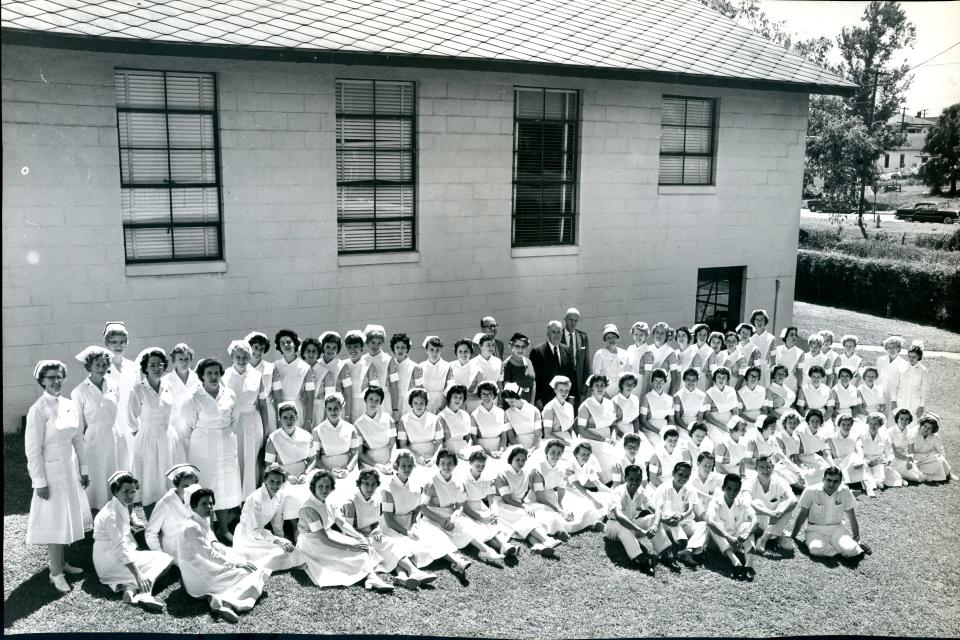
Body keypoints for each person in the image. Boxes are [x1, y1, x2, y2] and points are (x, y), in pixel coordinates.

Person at [25, 360, 91, 593]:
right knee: (55, 522)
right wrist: (39, 481)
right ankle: (55, 573)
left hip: (69, 470)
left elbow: (77, 439)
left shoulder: (70, 404)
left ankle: (61, 562)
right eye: (51, 377)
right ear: (42, 381)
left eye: (59, 376)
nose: (56, 381)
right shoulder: (38, 409)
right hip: (50, 474)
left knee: (66, 518)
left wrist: (83, 470)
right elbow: (32, 450)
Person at [178, 487, 270, 624]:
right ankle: (228, 603)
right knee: (255, 573)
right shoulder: (192, 526)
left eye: (210, 503)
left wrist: (232, 555)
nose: (209, 507)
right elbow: (209, 554)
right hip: (198, 573)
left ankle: (218, 600)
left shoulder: (201, 519)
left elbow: (213, 542)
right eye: (204, 504)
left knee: (251, 566)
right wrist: (235, 563)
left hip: (205, 565)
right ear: (193, 506)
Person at [296, 469, 393, 591]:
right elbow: (323, 539)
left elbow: (342, 523)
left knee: (362, 547)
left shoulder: (329, 502)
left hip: (327, 535)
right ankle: (371, 578)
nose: (324, 490)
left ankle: (370, 578)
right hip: (313, 543)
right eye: (320, 486)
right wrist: (350, 546)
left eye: (327, 486)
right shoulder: (309, 509)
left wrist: (359, 536)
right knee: (355, 553)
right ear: (313, 487)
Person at [341, 469, 438, 588]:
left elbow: (375, 522)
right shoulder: (351, 503)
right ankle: (409, 573)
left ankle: (409, 574)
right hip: (356, 539)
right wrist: (364, 536)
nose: (369, 488)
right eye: (366, 484)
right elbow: (347, 531)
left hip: (371, 536)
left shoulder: (377, 499)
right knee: (382, 548)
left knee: (392, 544)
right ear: (359, 483)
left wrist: (376, 530)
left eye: (373, 484)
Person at [92, 471, 173, 612]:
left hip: (114, 555)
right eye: (126, 491)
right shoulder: (111, 515)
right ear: (115, 491)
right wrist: (138, 575)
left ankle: (130, 590)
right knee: (166, 559)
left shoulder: (119, 505)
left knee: (159, 561)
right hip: (109, 560)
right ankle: (145, 593)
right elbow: (120, 547)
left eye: (133, 492)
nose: (130, 495)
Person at [381, 451, 472, 574]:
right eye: (403, 466)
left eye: (409, 466)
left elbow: (417, 509)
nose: (407, 469)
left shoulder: (416, 485)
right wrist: (407, 532)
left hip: (410, 523)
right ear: (396, 466)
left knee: (432, 535)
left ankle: (457, 561)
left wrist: (413, 524)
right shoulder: (387, 488)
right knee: (406, 545)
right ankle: (408, 572)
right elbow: (389, 521)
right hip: (391, 527)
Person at [183, 357, 242, 541]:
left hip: (226, 446)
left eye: (217, 372)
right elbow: (186, 426)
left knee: (224, 489)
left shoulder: (229, 394)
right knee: (207, 488)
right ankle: (207, 533)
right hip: (203, 450)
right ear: (201, 375)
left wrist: (224, 436)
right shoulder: (194, 397)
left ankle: (224, 529)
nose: (214, 376)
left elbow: (235, 419)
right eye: (209, 373)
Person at [421, 449, 508, 562]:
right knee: (461, 529)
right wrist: (441, 520)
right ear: (437, 464)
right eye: (442, 463)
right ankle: (486, 551)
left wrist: (453, 516)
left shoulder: (457, 482)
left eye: (450, 463)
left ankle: (496, 547)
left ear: (455, 465)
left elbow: (460, 505)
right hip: (433, 515)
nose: (446, 466)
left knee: (470, 525)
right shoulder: (431, 483)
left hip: (451, 514)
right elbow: (421, 507)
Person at [72, 345, 128, 512]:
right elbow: (78, 426)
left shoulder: (113, 386)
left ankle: (120, 515)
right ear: (89, 366)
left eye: (105, 365)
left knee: (116, 475)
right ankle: (99, 521)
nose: (102, 368)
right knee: (98, 482)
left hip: (115, 437)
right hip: (94, 442)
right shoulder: (79, 391)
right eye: (97, 365)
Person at [128, 347, 178, 517]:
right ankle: (151, 523)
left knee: (167, 478)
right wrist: (145, 437)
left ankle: (168, 520)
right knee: (150, 481)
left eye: (160, 364)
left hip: (167, 437)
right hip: (147, 440)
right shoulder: (138, 390)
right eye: (152, 365)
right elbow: (131, 420)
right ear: (145, 367)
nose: (157, 368)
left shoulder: (168, 386)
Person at [493, 447, 563, 556]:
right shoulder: (501, 474)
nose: (520, 463)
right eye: (517, 460)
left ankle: (537, 545)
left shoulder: (525, 473)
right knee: (522, 515)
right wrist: (523, 506)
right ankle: (546, 540)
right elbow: (507, 498)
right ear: (511, 459)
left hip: (517, 503)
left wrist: (523, 505)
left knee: (535, 514)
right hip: (502, 505)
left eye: (523, 460)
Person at [233, 463, 303, 571]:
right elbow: (253, 531)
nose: (275, 485)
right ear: (265, 480)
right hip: (247, 536)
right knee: (276, 555)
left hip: (263, 535)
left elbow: (277, 522)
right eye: (272, 481)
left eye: (278, 482)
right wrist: (277, 540)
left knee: (287, 551)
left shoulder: (280, 495)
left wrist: (282, 539)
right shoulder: (254, 499)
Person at [604, 464, 673, 574]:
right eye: (631, 479)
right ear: (625, 478)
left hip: (631, 524)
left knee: (652, 518)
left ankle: (666, 554)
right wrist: (640, 530)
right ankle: (641, 560)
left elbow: (657, 511)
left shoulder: (642, 492)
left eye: (638, 479)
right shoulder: (618, 492)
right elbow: (619, 517)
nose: (635, 482)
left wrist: (655, 525)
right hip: (613, 526)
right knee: (623, 526)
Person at [790, 466, 871, 560]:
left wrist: (857, 537)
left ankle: (850, 546)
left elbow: (851, 516)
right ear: (823, 479)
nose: (831, 484)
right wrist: (793, 536)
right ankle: (837, 547)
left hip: (837, 528)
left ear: (840, 482)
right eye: (829, 480)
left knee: (851, 550)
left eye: (836, 481)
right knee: (816, 549)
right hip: (815, 529)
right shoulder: (810, 491)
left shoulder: (844, 491)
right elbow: (802, 515)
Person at [222, 340, 269, 499]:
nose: (242, 361)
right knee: (234, 459)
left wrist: (267, 429)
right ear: (232, 357)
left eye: (245, 357)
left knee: (251, 459)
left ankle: (250, 498)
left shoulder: (257, 375)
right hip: (232, 423)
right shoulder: (225, 375)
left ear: (250, 357)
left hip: (252, 422)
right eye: (238, 357)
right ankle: (234, 500)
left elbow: (262, 405)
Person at [528, 440, 604, 534]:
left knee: (579, 507)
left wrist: (561, 505)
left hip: (552, 496)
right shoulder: (537, 470)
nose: (556, 455)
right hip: (536, 499)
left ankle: (593, 523)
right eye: (552, 452)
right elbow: (541, 499)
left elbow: (561, 489)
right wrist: (560, 511)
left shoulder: (562, 467)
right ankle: (560, 531)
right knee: (551, 516)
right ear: (546, 452)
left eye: (559, 453)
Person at [264, 402, 315, 538]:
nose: (289, 421)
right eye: (285, 417)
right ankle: (283, 531)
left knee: (311, 494)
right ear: (280, 419)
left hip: (304, 473)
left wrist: (306, 473)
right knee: (285, 496)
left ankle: (309, 529)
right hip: (281, 475)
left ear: (297, 417)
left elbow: (312, 459)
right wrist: (286, 476)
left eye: (292, 417)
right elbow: (269, 464)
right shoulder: (273, 438)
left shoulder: (306, 435)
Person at [652, 461, 707, 567]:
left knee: (704, 525)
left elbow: (691, 508)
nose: (683, 478)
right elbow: (657, 509)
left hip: (685, 523)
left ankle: (687, 550)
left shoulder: (691, 489)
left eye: (686, 476)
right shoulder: (663, 488)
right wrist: (668, 518)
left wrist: (681, 516)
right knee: (669, 513)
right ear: (673, 473)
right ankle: (685, 544)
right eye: (680, 474)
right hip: (668, 525)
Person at [705, 473, 758, 580]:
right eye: (729, 488)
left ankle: (748, 566)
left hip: (736, 542)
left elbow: (755, 520)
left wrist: (747, 533)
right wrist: (727, 536)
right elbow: (709, 521)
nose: (732, 492)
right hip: (718, 543)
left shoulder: (742, 502)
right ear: (723, 488)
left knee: (749, 526)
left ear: (739, 490)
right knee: (716, 525)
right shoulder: (715, 502)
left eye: (735, 490)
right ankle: (735, 562)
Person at [311, 393, 362, 501]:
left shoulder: (350, 428)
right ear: (325, 409)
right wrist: (329, 471)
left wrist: (348, 470)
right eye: (329, 409)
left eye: (336, 408)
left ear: (342, 408)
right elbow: (316, 458)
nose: (333, 412)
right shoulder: (317, 431)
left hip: (347, 468)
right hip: (326, 469)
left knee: (352, 492)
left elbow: (355, 453)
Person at [742, 456, 797, 554]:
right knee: (756, 503)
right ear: (756, 469)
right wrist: (770, 513)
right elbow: (747, 503)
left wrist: (780, 511)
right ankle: (774, 536)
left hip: (773, 520)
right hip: (755, 520)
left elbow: (793, 499)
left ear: (773, 467)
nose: (765, 470)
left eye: (768, 467)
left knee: (786, 505)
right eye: (761, 467)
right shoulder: (749, 481)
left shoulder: (780, 481)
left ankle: (763, 539)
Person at [145, 464, 199, 561]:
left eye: (192, 486)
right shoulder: (165, 503)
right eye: (185, 486)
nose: (189, 489)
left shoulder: (195, 499)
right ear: (177, 485)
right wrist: (160, 556)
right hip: (175, 551)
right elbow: (150, 533)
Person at [103, 322, 138, 469]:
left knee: (133, 458)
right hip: (112, 419)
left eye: (122, 342)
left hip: (131, 418)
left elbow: (139, 395)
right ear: (107, 343)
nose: (118, 346)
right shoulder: (101, 367)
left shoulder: (133, 366)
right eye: (114, 342)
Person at [577, 374, 622, 480]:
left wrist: (613, 438)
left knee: (621, 453)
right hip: (590, 439)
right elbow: (582, 430)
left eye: (602, 385)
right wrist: (604, 439)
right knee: (608, 456)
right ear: (591, 387)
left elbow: (614, 425)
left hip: (608, 439)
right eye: (596, 385)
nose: (600, 388)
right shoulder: (585, 406)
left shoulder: (610, 404)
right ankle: (606, 483)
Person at [396, 388, 444, 488]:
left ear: (426, 403)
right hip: (412, 456)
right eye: (416, 403)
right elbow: (403, 445)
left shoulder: (435, 419)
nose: (419, 406)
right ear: (411, 404)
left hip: (432, 455)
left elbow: (439, 442)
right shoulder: (403, 420)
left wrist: (434, 458)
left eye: (422, 403)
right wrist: (416, 457)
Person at [162, 342, 202, 456]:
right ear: (174, 360)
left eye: (187, 359)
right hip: (175, 425)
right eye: (180, 359)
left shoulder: (198, 378)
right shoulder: (166, 381)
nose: (184, 362)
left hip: (195, 425)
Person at [272, 329, 314, 429]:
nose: (286, 345)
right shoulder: (275, 366)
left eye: (289, 342)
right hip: (279, 408)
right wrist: (278, 419)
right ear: (279, 347)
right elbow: (276, 395)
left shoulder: (306, 368)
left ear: (295, 344)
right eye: (282, 343)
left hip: (297, 408)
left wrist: (308, 421)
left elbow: (310, 397)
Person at [530, 321, 575, 410]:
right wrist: (537, 399)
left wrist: (571, 396)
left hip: (564, 399)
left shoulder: (566, 350)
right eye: (553, 332)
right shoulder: (537, 352)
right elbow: (535, 379)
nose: (556, 335)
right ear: (547, 333)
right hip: (545, 401)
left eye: (559, 332)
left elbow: (571, 374)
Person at [828, 413, 875, 497]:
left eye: (848, 425)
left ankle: (868, 487)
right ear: (839, 424)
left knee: (855, 457)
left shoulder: (855, 436)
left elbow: (859, 449)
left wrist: (860, 460)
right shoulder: (832, 437)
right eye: (843, 424)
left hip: (852, 461)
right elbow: (830, 454)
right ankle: (847, 490)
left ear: (851, 425)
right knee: (838, 470)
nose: (846, 427)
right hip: (839, 461)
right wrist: (834, 464)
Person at [354, 386, 398, 473]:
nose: (373, 403)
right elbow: (360, 453)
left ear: (380, 403)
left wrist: (391, 462)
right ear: (365, 400)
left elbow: (393, 444)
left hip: (389, 460)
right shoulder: (358, 424)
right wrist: (377, 466)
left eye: (377, 400)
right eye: (371, 399)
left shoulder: (388, 418)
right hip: (369, 463)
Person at [336, 330, 377, 423]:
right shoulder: (342, 365)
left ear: (362, 348)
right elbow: (339, 388)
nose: (352, 350)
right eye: (350, 347)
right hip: (346, 404)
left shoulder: (369, 365)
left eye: (356, 346)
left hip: (364, 404)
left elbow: (375, 389)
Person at [859, 413, 903, 490]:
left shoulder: (884, 437)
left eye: (875, 424)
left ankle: (879, 480)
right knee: (866, 474)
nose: (872, 426)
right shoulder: (861, 436)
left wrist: (887, 461)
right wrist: (868, 462)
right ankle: (874, 482)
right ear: (868, 424)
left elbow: (890, 454)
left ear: (880, 425)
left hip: (879, 463)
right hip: (865, 462)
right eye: (871, 423)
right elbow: (858, 454)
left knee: (894, 476)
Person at [246, 332, 278, 437]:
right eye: (255, 347)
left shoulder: (271, 368)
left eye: (261, 349)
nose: (258, 351)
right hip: (250, 410)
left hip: (268, 410)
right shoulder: (242, 367)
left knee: (269, 438)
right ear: (249, 347)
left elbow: (277, 395)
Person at [362, 325, 397, 419]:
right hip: (367, 401)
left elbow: (394, 387)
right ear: (367, 342)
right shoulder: (362, 360)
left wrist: (395, 409)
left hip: (384, 401)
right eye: (373, 342)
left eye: (379, 343)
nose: (376, 346)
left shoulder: (389, 360)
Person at [471, 381, 509, 464]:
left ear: (494, 395)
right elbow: (474, 441)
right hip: (483, 453)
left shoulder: (501, 412)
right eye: (484, 394)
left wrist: (500, 451)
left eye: (490, 394)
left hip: (500, 452)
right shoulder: (474, 415)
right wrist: (489, 453)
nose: (487, 397)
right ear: (480, 395)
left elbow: (504, 437)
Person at [560, 307, 590, 408]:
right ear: (565, 319)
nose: (573, 323)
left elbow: (586, 362)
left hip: (578, 381)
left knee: (576, 410)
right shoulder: (558, 335)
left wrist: (585, 384)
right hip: (563, 378)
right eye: (571, 320)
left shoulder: (583, 336)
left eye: (576, 320)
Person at [911, 413, 953, 482]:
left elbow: (940, 450)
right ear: (921, 425)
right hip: (914, 458)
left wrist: (941, 460)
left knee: (939, 459)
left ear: (932, 430)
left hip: (927, 458)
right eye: (925, 426)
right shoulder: (913, 433)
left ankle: (948, 474)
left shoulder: (935, 436)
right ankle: (928, 476)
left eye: (929, 428)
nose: (926, 429)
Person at [639, 322, 680, 395]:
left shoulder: (670, 352)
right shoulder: (647, 350)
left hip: (663, 391)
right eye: (657, 332)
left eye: (662, 333)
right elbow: (642, 374)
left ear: (666, 336)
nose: (659, 335)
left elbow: (674, 378)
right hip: (648, 389)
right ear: (653, 334)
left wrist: (670, 396)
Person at [704, 367, 741, 446]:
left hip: (730, 422)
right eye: (719, 377)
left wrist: (733, 424)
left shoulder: (732, 391)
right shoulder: (709, 393)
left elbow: (735, 411)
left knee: (739, 440)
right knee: (721, 442)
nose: (721, 380)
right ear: (714, 378)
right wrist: (722, 426)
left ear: (727, 379)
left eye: (724, 377)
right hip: (714, 424)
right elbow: (706, 415)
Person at [503, 383, 544, 452]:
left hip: (535, 444)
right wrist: (521, 449)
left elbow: (538, 434)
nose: (509, 404)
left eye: (511, 401)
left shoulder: (534, 410)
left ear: (518, 397)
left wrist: (532, 449)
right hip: (517, 444)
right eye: (507, 402)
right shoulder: (507, 413)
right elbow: (511, 436)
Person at [640, 369, 675, 447]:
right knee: (658, 445)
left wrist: (667, 431)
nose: (658, 384)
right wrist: (658, 431)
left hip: (665, 428)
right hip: (650, 429)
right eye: (656, 381)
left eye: (661, 381)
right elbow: (643, 420)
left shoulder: (670, 399)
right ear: (652, 381)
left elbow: (672, 420)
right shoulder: (646, 398)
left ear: (665, 382)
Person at [888, 408, 925, 483]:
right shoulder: (890, 431)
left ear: (909, 421)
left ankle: (901, 476)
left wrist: (910, 460)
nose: (904, 422)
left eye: (906, 419)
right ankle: (899, 478)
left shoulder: (910, 433)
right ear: (897, 419)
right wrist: (907, 459)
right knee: (915, 477)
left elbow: (911, 451)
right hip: (891, 457)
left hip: (904, 457)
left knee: (918, 476)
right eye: (901, 418)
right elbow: (894, 453)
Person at [592, 324, 629, 398]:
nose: (611, 340)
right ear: (605, 340)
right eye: (608, 338)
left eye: (614, 337)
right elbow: (596, 376)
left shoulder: (625, 354)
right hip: (603, 394)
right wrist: (604, 395)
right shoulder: (600, 353)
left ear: (618, 338)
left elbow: (626, 376)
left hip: (620, 394)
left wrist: (621, 393)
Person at [876, 335, 908, 420]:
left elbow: (902, 384)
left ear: (899, 349)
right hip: (880, 394)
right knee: (878, 417)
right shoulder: (881, 360)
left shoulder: (903, 364)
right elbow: (877, 378)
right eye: (889, 347)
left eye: (894, 347)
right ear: (886, 349)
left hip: (894, 397)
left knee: (890, 419)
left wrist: (895, 401)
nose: (892, 350)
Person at [541, 375, 577, 449]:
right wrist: (564, 442)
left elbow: (570, 429)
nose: (564, 393)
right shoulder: (549, 408)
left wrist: (572, 442)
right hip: (553, 441)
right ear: (555, 390)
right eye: (561, 390)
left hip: (568, 439)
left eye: (566, 391)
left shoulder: (570, 407)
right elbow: (547, 434)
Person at [419, 336, 453, 413]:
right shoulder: (420, 367)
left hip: (442, 403)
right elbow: (419, 388)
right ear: (426, 350)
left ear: (441, 350)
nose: (435, 353)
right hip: (425, 404)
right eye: (431, 350)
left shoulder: (447, 366)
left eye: (437, 350)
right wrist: (423, 407)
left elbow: (449, 387)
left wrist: (442, 407)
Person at [796, 366, 835, 433]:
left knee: (827, 431)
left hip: (824, 416)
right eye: (813, 376)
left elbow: (830, 410)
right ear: (810, 377)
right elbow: (801, 409)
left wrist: (822, 420)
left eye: (818, 377)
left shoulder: (828, 390)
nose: (816, 379)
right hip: (807, 415)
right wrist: (809, 420)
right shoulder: (803, 389)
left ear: (822, 377)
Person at [896, 342, 929, 419]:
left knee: (913, 422)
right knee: (900, 421)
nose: (911, 359)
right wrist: (894, 401)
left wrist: (921, 406)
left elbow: (925, 389)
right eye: (909, 356)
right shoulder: (901, 367)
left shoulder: (923, 370)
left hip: (915, 402)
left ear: (919, 357)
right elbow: (895, 385)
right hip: (901, 400)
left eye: (914, 357)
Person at [470, 334, 504, 410]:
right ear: (480, 346)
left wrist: (500, 403)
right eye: (488, 345)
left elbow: (500, 383)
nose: (491, 347)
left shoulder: (498, 362)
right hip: (476, 403)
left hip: (493, 402)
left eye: (492, 345)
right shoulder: (472, 363)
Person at [389, 333, 420, 417]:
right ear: (393, 349)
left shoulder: (414, 366)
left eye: (403, 347)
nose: (400, 350)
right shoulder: (389, 365)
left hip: (407, 403)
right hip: (391, 401)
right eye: (397, 347)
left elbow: (420, 388)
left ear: (407, 349)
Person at [502, 333, 537, 405]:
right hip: (514, 406)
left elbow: (533, 384)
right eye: (517, 346)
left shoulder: (528, 362)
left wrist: (532, 404)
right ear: (512, 346)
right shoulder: (506, 364)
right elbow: (507, 389)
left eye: (523, 346)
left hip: (528, 403)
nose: (520, 349)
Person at [771, 326, 803, 393]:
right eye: (791, 335)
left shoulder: (800, 352)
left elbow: (799, 372)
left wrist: (800, 388)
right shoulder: (777, 349)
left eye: (795, 335)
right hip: (776, 383)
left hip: (791, 385)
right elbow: (772, 367)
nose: (794, 337)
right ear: (785, 337)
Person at [748, 310, 776, 386]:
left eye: (762, 319)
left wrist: (771, 375)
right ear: (753, 321)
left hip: (765, 370)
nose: (759, 322)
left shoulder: (771, 338)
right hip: (752, 370)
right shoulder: (751, 338)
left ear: (765, 321)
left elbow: (773, 359)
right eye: (757, 319)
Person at [613, 372, 641, 437]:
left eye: (632, 384)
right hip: (618, 431)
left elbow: (636, 420)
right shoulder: (615, 400)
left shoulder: (635, 399)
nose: (629, 386)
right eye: (627, 384)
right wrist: (624, 436)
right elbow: (613, 424)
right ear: (622, 385)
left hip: (632, 429)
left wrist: (636, 433)